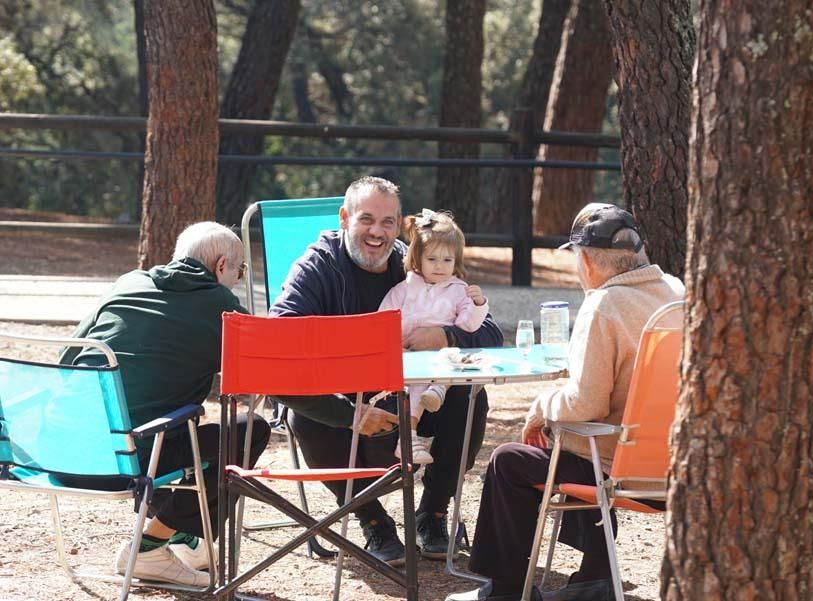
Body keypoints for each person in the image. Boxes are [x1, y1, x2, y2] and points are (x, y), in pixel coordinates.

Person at [446, 203, 685, 601]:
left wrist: (542, 408)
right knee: (569, 445)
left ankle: (504, 593)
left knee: (510, 460)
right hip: (674, 463)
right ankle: (595, 575)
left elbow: (585, 404)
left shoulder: (604, 305)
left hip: (616, 464)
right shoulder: (676, 292)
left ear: (588, 262)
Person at [269, 176, 503, 565]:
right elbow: (278, 341)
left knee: (469, 394)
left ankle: (433, 513)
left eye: (388, 222)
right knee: (304, 415)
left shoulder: (417, 260)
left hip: (417, 401)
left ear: (400, 225)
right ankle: (373, 521)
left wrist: (446, 335)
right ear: (344, 218)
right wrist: (349, 412)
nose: (377, 232)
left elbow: (489, 330)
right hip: (349, 409)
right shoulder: (317, 266)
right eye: (366, 220)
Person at [59, 222, 272, 588]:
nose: (238, 279)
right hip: (127, 464)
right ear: (222, 266)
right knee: (247, 430)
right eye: (240, 271)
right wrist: (345, 415)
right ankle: (149, 545)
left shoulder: (128, 282)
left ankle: (186, 538)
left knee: (161, 424)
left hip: (66, 454)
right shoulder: (220, 307)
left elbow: (67, 359)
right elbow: (272, 374)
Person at [379, 208, 489, 464]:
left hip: (441, 358)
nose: (440, 266)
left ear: (456, 261)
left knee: (454, 356)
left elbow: (468, 326)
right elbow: (383, 321)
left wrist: (478, 304)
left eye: (447, 260)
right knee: (414, 385)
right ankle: (409, 439)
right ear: (417, 259)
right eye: (432, 259)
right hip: (408, 357)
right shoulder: (402, 289)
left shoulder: (458, 290)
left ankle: (440, 388)